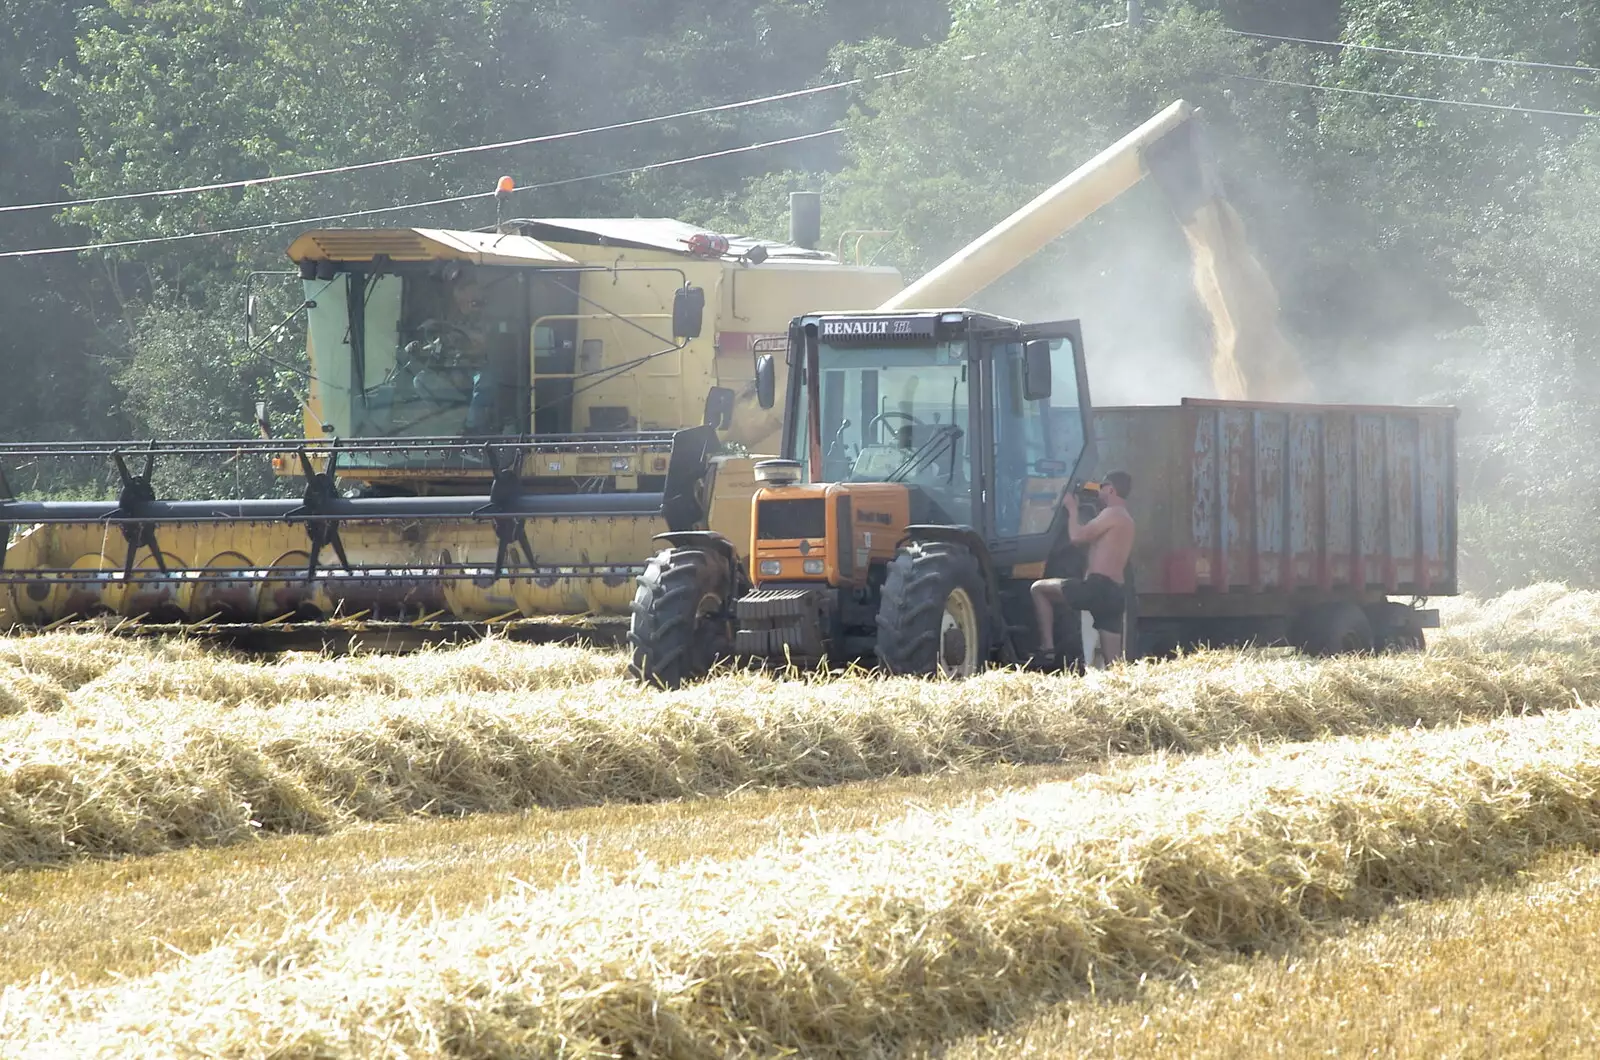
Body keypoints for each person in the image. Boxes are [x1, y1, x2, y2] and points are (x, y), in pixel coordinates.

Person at [1029, 470, 1135, 667]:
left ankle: (1048, 649)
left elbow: (1077, 538)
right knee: (1114, 663)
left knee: (1038, 589)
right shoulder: (1127, 520)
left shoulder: (1110, 514)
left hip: (1097, 588)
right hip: (1116, 593)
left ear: (1111, 489)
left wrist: (1072, 508)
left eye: (1102, 487)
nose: (1099, 491)